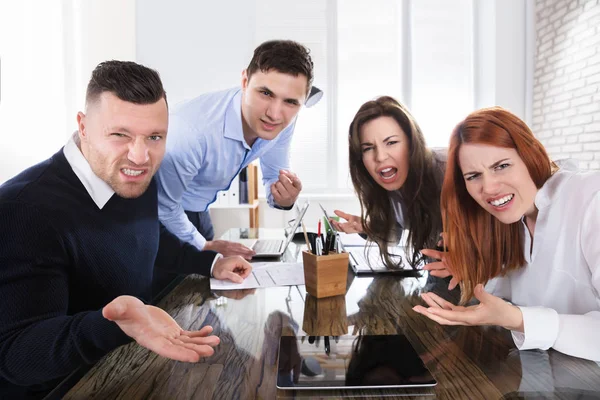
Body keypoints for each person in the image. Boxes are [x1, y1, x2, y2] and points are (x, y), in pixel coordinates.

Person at [0, 60, 252, 399]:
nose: (139, 155)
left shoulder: (135, 177)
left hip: (131, 366)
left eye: (154, 137)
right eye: (120, 135)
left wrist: (208, 263)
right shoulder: (23, 209)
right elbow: (17, 355)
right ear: (83, 126)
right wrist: (113, 326)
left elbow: (149, 238)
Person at [413, 107, 600, 362]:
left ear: (530, 155)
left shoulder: (592, 198)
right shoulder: (513, 219)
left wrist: (516, 319)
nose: (488, 187)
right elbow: (523, 288)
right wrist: (472, 268)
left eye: (501, 166)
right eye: (474, 176)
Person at [156, 39, 314, 260]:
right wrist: (205, 246)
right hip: (159, 219)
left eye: (290, 101)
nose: (275, 114)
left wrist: (283, 199)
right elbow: (164, 206)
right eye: (266, 93)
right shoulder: (191, 133)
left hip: (200, 211)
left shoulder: (283, 121)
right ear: (244, 81)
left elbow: (273, 176)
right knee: (172, 293)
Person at [331, 96, 448, 270]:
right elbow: (394, 235)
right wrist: (368, 228)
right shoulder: (389, 185)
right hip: (437, 278)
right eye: (368, 148)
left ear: (411, 143)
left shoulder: (446, 170)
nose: (380, 157)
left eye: (391, 142)